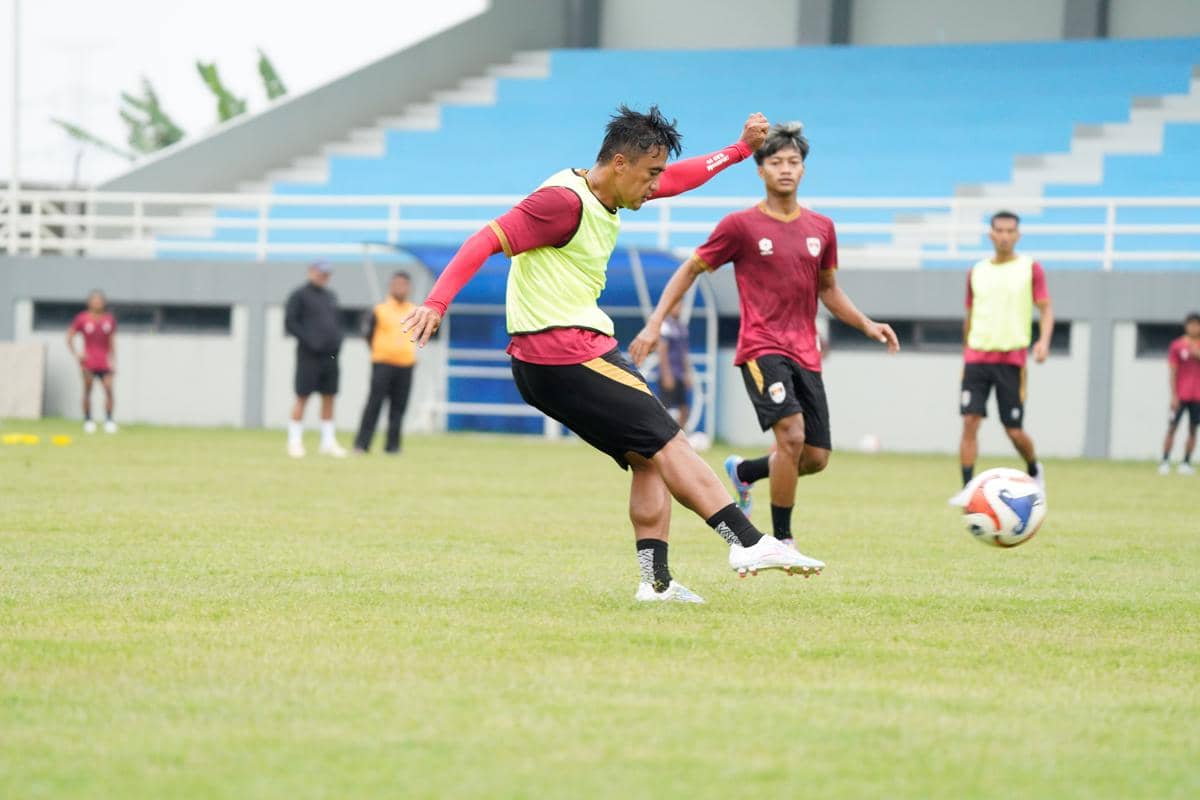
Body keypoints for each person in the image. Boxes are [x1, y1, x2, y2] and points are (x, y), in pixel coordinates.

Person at [403, 106, 822, 605]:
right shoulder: (561, 202)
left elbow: (680, 178)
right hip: (564, 350)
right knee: (671, 443)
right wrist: (436, 302)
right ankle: (748, 543)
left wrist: (737, 150)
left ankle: (656, 583)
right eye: (650, 174)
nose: (656, 186)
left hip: (553, 359)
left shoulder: (614, 191)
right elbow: (485, 239)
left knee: (648, 459)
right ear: (620, 163)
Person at [631, 122, 899, 554]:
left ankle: (745, 472)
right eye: (776, 162)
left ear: (804, 169)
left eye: (794, 162)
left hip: (805, 352)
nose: (786, 169)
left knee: (814, 457)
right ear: (760, 170)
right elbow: (690, 269)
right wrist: (655, 322)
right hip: (760, 347)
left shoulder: (822, 229)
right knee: (790, 437)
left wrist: (867, 324)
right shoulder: (740, 226)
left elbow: (828, 289)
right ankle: (783, 540)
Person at [949, 211, 1053, 506]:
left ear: (1018, 235)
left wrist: (1043, 342)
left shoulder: (1031, 269)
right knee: (970, 421)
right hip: (976, 358)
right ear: (991, 234)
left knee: (1014, 430)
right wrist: (965, 352)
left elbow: (1046, 310)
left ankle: (1034, 469)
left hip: (1012, 360)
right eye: (1000, 230)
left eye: (1010, 231)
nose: (1005, 236)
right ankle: (968, 490)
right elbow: (970, 316)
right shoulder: (977, 271)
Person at [285, 261, 347, 458]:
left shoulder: (331, 296)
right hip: (308, 355)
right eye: (320, 273)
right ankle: (294, 442)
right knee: (302, 396)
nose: (323, 277)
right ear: (311, 272)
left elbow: (336, 322)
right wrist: (311, 341)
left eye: (326, 274)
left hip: (330, 355)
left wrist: (337, 341)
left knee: (329, 396)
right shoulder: (299, 295)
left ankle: (327, 442)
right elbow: (290, 323)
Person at [354, 271, 418, 454]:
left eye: (403, 284)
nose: (400, 288)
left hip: (406, 364)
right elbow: (367, 335)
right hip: (383, 363)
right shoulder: (379, 310)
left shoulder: (414, 310)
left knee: (399, 407)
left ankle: (393, 446)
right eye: (396, 284)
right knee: (374, 404)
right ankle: (361, 445)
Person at [66, 290, 118, 434]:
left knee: (108, 390)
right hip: (88, 362)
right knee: (88, 391)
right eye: (95, 300)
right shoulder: (82, 319)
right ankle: (88, 420)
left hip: (104, 362)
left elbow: (112, 342)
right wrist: (77, 354)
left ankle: (109, 420)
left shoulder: (109, 319)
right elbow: (69, 337)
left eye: (100, 300)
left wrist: (113, 361)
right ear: (89, 302)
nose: (97, 302)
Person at [1158, 311, 1200, 475]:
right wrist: (1173, 395)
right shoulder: (1177, 345)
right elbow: (1173, 371)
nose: (1194, 328)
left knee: (1193, 429)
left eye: (1197, 324)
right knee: (1172, 428)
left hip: (1197, 397)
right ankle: (1165, 461)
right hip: (1181, 396)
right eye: (1191, 324)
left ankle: (1186, 463)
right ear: (1186, 326)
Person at [657, 299, 693, 428]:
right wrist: (666, 374)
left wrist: (688, 374)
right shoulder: (665, 326)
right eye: (676, 305)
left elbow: (684, 354)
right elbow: (662, 352)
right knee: (665, 408)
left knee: (684, 408)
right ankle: (662, 437)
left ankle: (682, 436)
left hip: (680, 375)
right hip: (669, 374)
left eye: (680, 305)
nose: (679, 308)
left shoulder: (681, 327)